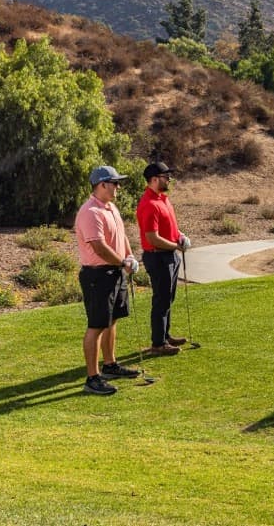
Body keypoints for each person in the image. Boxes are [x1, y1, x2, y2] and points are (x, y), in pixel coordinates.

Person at [75, 165, 141, 396]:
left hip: (114, 271)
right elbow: (99, 247)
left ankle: (110, 365)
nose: (118, 187)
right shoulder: (90, 212)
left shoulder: (111, 208)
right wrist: (123, 262)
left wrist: (129, 256)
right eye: (115, 183)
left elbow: (121, 236)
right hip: (97, 274)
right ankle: (92, 377)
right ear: (102, 184)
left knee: (112, 321)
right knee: (96, 325)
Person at [135, 161, 190, 356]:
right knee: (161, 300)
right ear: (154, 179)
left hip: (169, 256)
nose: (169, 179)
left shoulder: (162, 199)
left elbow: (170, 228)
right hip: (158, 258)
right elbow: (153, 238)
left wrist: (180, 236)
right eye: (166, 176)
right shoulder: (149, 205)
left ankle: (165, 336)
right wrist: (176, 245)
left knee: (168, 298)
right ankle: (158, 344)